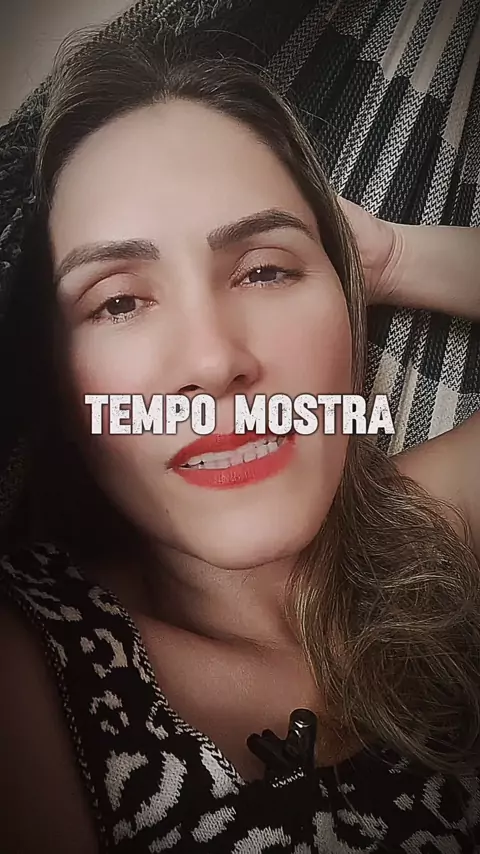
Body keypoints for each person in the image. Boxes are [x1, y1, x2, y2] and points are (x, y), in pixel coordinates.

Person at [0, 35, 480, 854]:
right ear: (56, 384)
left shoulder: (433, 533)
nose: (214, 361)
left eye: (266, 272)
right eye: (118, 303)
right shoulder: (29, 666)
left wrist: (395, 256)